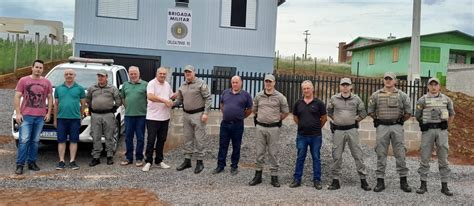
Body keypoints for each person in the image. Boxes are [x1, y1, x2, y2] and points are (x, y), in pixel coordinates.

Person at [367, 71, 412, 193]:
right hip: (382, 127)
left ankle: (404, 182)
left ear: (395, 81)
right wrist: (376, 119)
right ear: (383, 80)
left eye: (390, 79)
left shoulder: (402, 95)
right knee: (381, 154)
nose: (388, 81)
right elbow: (370, 110)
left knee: (400, 154)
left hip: (396, 126)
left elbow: (409, 111)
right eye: (386, 78)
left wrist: (401, 120)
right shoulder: (376, 95)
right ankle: (380, 181)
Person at [326, 78, 370, 191]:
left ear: (351, 86)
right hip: (338, 131)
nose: (345, 87)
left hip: (352, 130)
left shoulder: (356, 99)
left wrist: (357, 120)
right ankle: (335, 181)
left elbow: (363, 112)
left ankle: (363, 180)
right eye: (343, 85)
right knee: (336, 155)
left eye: (347, 85)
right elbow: (329, 111)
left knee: (357, 155)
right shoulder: (334, 98)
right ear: (340, 86)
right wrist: (336, 119)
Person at [415, 77, 455, 196]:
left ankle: (444, 185)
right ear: (428, 86)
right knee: (425, 157)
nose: (433, 87)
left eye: (435, 85)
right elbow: (418, 115)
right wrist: (423, 123)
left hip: (441, 130)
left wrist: (447, 125)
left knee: (443, 158)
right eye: (431, 85)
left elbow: (452, 113)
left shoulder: (447, 100)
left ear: (439, 87)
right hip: (428, 131)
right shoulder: (422, 100)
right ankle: (423, 185)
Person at [249, 74, 289, 187]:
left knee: (273, 153)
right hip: (260, 127)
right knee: (259, 152)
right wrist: (262, 117)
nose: (268, 83)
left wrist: (276, 119)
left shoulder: (280, 97)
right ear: (264, 82)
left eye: (270, 81)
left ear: (274, 83)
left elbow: (285, 112)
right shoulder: (258, 96)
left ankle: (274, 177)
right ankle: (258, 176)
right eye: (266, 81)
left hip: (273, 128)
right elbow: (254, 110)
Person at [13, 59, 53, 175]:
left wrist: (48, 112)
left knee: (35, 141)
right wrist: (18, 113)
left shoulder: (47, 82)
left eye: (40, 68)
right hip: (26, 116)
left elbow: (50, 97)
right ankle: (20, 165)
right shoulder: (23, 80)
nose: (38, 69)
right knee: (24, 140)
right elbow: (17, 96)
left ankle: (32, 162)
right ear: (32, 67)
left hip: (40, 117)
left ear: (42, 69)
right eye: (36, 67)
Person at [288, 80, 327, 189]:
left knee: (316, 157)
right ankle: (297, 179)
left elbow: (324, 118)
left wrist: (317, 127)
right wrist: (302, 125)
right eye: (304, 89)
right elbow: (295, 117)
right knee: (300, 157)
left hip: (316, 136)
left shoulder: (319, 103)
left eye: (308, 88)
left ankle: (317, 180)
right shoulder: (298, 103)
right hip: (302, 136)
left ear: (312, 89)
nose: (306, 90)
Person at [174, 65, 212, 174]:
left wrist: (206, 113)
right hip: (186, 115)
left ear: (194, 72)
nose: (187, 74)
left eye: (189, 72)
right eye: (186, 72)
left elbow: (208, 98)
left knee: (200, 139)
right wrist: (171, 103)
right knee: (187, 138)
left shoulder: (201, 84)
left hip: (198, 115)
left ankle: (200, 162)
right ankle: (187, 160)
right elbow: (179, 100)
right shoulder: (183, 85)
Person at [212, 76, 253, 175]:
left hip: (237, 125)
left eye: (236, 82)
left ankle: (234, 166)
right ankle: (220, 166)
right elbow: (222, 105)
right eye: (233, 82)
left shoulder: (246, 95)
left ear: (241, 83)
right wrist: (227, 113)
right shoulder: (225, 93)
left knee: (236, 146)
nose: (235, 84)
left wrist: (241, 117)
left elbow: (249, 109)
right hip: (225, 124)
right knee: (223, 145)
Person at [86, 69, 122, 166]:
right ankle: (96, 157)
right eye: (99, 76)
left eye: (102, 76)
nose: (100, 78)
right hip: (95, 115)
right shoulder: (92, 88)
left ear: (106, 77)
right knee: (96, 136)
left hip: (108, 115)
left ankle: (109, 156)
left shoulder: (112, 88)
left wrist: (114, 108)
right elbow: (88, 100)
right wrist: (92, 107)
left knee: (109, 136)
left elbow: (118, 100)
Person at [142, 67, 174, 172]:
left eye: (164, 74)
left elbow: (171, 96)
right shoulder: (152, 83)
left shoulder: (167, 85)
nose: (162, 75)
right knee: (151, 140)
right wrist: (164, 101)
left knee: (162, 140)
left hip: (165, 118)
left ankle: (159, 161)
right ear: (157, 74)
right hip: (153, 118)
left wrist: (180, 91)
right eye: (160, 73)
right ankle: (148, 161)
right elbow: (150, 96)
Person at [53, 69, 86, 170]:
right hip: (61, 119)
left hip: (74, 119)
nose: (68, 76)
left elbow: (83, 104)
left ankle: (72, 161)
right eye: (66, 74)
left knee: (74, 140)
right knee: (61, 141)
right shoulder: (58, 89)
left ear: (74, 75)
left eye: (71, 74)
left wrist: (80, 117)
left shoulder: (80, 89)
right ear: (64, 76)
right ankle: (61, 161)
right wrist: (55, 119)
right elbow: (56, 105)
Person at [120, 66, 148, 167]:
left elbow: (148, 98)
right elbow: (122, 97)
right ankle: (129, 158)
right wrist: (127, 106)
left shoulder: (145, 84)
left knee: (140, 138)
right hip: (128, 115)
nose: (133, 75)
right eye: (131, 74)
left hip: (141, 115)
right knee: (128, 137)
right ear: (129, 74)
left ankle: (139, 158)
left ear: (139, 73)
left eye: (135, 73)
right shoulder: (125, 85)